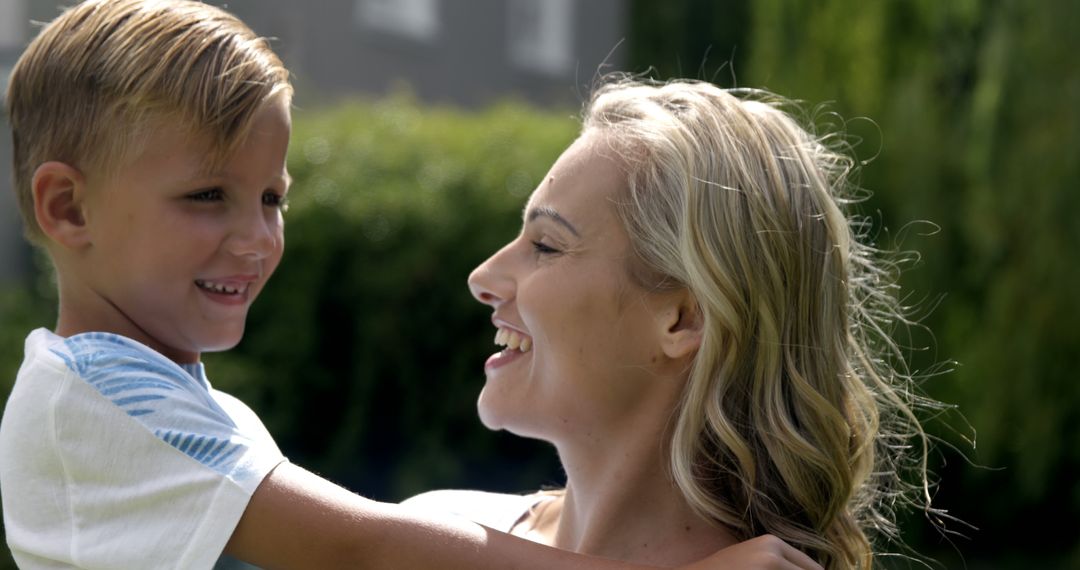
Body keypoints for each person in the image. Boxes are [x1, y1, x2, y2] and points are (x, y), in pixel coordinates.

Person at [0, 1, 823, 569]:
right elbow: (367, 549)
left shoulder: (155, 396)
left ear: (681, 318)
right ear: (67, 208)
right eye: (207, 196)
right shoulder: (101, 400)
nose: (259, 237)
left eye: (545, 243)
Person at [406, 78, 937, 569]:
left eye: (546, 245)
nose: (483, 276)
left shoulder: (425, 545)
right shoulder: (442, 523)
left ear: (684, 319)